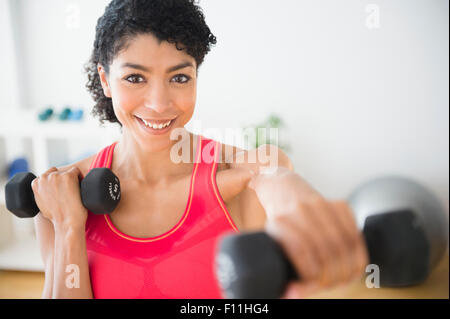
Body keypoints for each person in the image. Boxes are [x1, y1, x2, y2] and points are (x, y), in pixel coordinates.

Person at [32, 0, 368, 299]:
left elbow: (270, 171)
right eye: (135, 78)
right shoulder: (61, 198)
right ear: (105, 79)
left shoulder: (240, 177)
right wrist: (68, 227)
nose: (159, 103)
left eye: (179, 78)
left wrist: (295, 198)